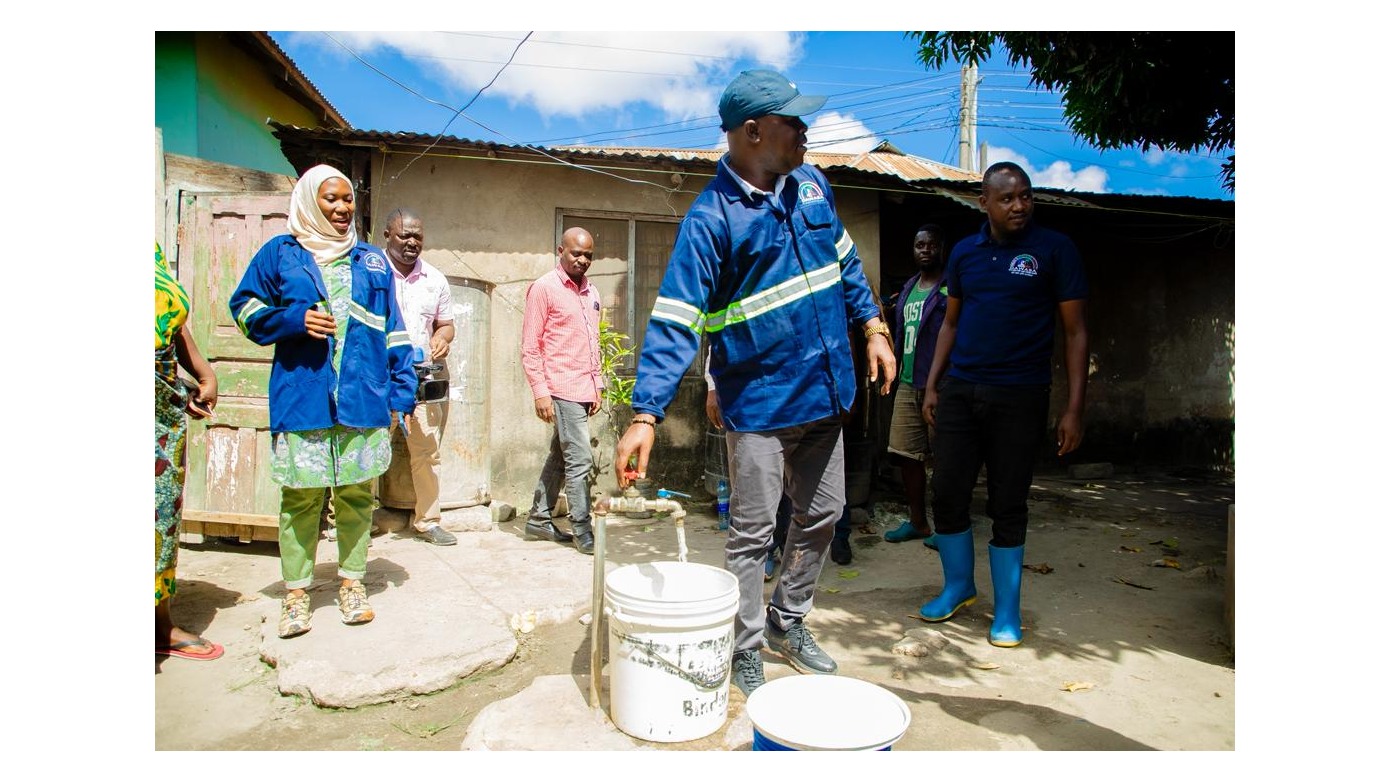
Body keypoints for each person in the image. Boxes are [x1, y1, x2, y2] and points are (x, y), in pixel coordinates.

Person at [615, 70, 896, 696]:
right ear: (752, 131)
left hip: (827, 392)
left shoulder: (813, 185)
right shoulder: (711, 220)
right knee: (753, 532)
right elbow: (676, 320)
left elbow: (846, 265)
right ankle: (745, 646)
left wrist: (874, 325)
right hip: (761, 404)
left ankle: (786, 621)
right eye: (793, 121)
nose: (804, 131)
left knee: (824, 514)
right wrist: (646, 415)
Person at [228, 164, 417, 639]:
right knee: (301, 499)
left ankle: (352, 584)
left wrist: (402, 390)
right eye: (331, 199)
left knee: (356, 497)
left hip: (361, 397)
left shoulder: (372, 260)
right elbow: (245, 308)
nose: (341, 208)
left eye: (348, 199)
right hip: (303, 397)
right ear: (311, 200)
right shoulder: (279, 254)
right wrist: (293, 319)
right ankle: (297, 594)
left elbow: (394, 328)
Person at [920, 162, 1089, 648]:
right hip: (961, 390)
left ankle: (1008, 610)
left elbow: (1076, 332)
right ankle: (958, 586)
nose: (1019, 205)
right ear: (985, 203)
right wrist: (934, 384)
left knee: (1008, 501)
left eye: (1026, 196)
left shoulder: (1055, 249)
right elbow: (950, 324)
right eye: (1008, 198)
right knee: (948, 492)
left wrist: (1073, 407)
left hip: (1020, 395)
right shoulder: (966, 254)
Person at [155, 242, 224, 661]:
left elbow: (173, 323)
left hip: (160, 409)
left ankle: (159, 624)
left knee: (161, 516)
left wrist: (200, 369)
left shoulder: (151, 253)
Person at [377, 208, 458, 546]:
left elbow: (446, 324)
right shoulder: (371, 272)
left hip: (419, 380)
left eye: (417, 237)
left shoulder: (435, 279)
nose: (412, 242)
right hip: (377, 378)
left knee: (426, 450)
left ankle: (427, 520)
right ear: (387, 236)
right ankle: (356, 519)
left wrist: (443, 338)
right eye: (403, 235)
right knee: (368, 446)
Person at [521, 227, 603, 555]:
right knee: (579, 458)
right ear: (560, 250)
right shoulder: (544, 288)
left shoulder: (592, 292)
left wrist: (596, 385)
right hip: (561, 387)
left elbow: (592, 343)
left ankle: (539, 519)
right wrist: (541, 392)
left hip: (583, 388)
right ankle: (582, 528)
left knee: (560, 455)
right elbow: (530, 346)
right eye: (576, 253)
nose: (582, 260)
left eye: (588, 256)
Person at [882, 224, 950, 550]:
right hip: (908, 383)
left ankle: (949, 529)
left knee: (945, 459)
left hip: (939, 385)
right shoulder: (910, 287)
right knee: (907, 455)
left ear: (941, 248)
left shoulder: (951, 288)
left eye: (931, 245)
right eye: (919, 244)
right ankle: (918, 522)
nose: (924, 250)